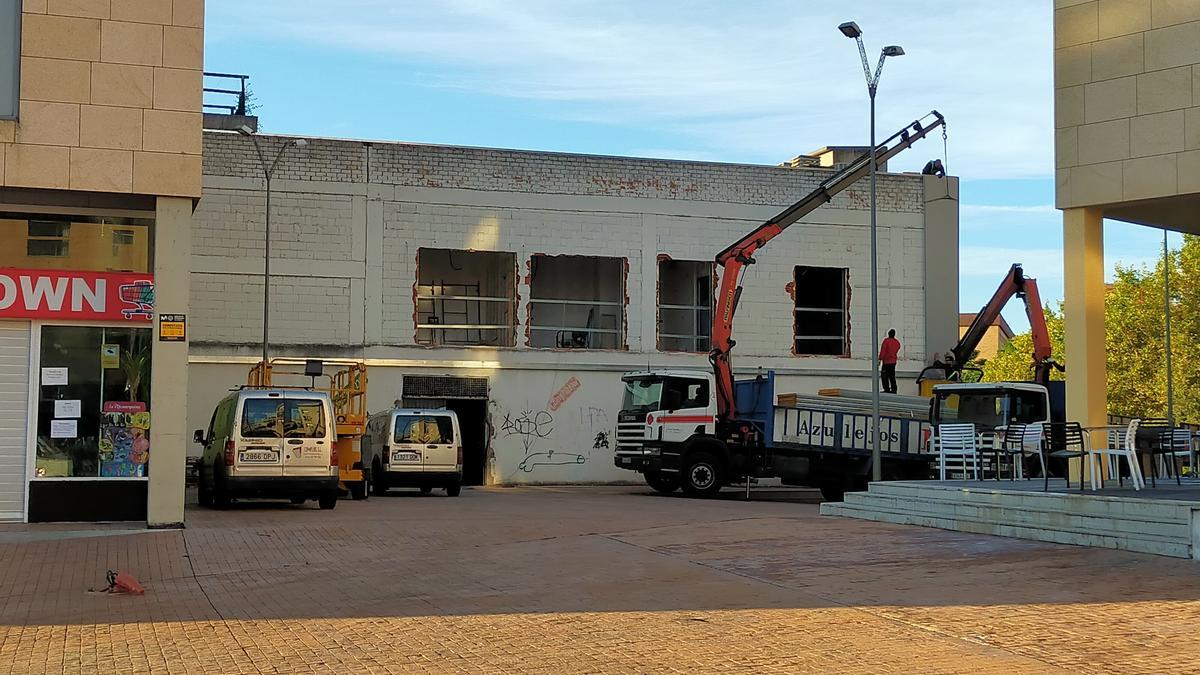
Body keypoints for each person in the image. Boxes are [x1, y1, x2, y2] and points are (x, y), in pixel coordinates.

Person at [879, 329, 901, 394]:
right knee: (892, 376)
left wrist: (880, 358)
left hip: (886, 362)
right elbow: (898, 347)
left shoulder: (886, 341)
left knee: (885, 376)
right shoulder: (897, 342)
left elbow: (883, 351)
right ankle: (894, 389)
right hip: (893, 362)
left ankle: (887, 389)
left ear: (888, 334)